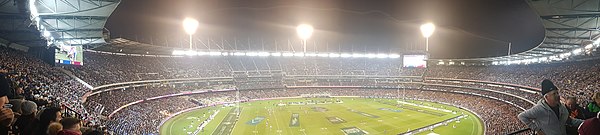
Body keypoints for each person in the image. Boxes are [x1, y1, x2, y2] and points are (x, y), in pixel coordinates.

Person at [517, 80, 583, 135]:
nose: (557, 95)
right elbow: (521, 116)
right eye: (554, 94)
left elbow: (569, 121)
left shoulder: (561, 107)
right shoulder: (539, 109)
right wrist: (537, 130)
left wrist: (586, 122)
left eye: (557, 93)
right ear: (546, 97)